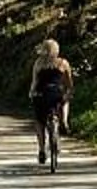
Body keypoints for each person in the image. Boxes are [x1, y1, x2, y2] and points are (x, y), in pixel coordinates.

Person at [29, 38, 74, 171]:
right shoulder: (62, 63)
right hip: (56, 94)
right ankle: (64, 121)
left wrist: (32, 93)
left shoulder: (39, 63)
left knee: (39, 122)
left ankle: (42, 149)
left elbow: (34, 82)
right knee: (65, 100)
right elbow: (69, 83)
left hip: (41, 95)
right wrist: (68, 92)